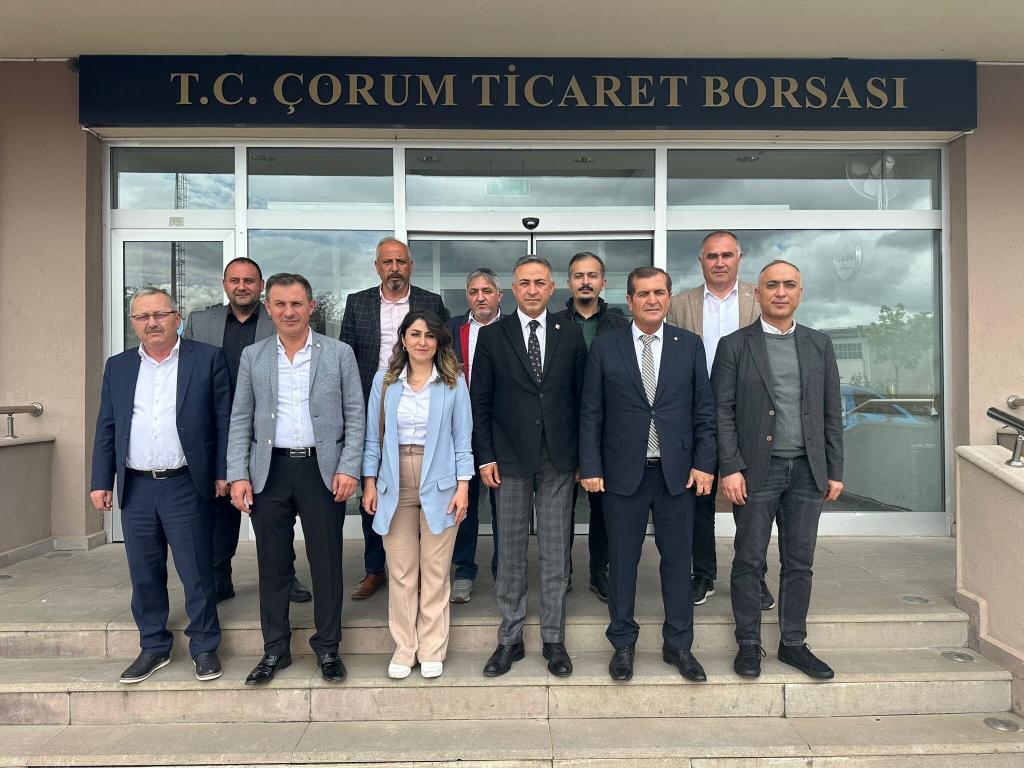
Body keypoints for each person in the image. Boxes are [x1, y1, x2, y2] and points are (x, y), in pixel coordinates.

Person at [579, 267, 717, 682]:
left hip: (677, 475)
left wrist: (704, 463)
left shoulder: (689, 345)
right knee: (622, 563)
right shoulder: (606, 346)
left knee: (677, 563)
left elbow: (704, 411)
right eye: (643, 294)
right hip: (623, 475)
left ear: (669, 297)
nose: (652, 300)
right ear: (630, 299)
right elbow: (591, 412)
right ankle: (623, 643)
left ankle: (679, 646)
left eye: (659, 292)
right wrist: (591, 467)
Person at [227, 273, 365, 685]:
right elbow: (240, 419)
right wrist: (238, 474)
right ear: (268, 308)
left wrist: (349, 467)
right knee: (272, 567)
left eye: (297, 304)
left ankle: (328, 648)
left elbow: (356, 415)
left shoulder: (339, 353)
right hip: (269, 472)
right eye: (281, 304)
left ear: (311, 307)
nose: (289, 312)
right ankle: (275, 649)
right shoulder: (253, 356)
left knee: (326, 564)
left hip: (322, 471)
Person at [712, 260, 844, 680]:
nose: (781, 292)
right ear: (758, 293)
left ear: (800, 292)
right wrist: (730, 467)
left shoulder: (819, 344)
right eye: (772, 285)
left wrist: (834, 469)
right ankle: (749, 643)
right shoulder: (735, 345)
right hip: (756, 472)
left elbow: (831, 411)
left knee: (800, 561)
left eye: (789, 285)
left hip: (807, 471)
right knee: (749, 560)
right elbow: (722, 412)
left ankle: (793, 643)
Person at [90, 287, 230, 684]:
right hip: (136, 486)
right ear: (133, 323)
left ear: (177, 317)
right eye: (142, 317)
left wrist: (223, 471)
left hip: (185, 483)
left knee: (196, 570)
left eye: (160, 314)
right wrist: (101, 480)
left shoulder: (207, 358)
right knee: (144, 571)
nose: (152, 323)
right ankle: (153, 646)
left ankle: (204, 646)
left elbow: (223, 420)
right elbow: (107, 426)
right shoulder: (118, 366)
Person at [471, 255, 587, 678]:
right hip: (508, 460)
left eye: (540, 282)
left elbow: (583, 399)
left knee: (556, 552)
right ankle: (510, 639)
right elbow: (480, 402)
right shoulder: (493, 335)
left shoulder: (569, 332)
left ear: (552, 287)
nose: (533, 290)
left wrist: (583, 457)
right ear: (513, 289)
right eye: (525, 283)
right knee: (511, 551)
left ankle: (554, 639)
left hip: (559, 458)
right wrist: (485, 456)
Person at [185, 257, 312, 604]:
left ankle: (286, 575)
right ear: (224, 285)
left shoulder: (277, 318)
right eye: (235, 280)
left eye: (249, 281)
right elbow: (187, 371)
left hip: (263, 427)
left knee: (274, 510)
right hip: (213, 427)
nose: (242, 286)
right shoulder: (201, 321)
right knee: (218, 506)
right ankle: (219, 576)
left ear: (260, 286)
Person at [362, 310, 474, 679]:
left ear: (439, 341)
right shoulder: (385, 380)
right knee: (402, 571)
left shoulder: (453, 381)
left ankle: (431, 647)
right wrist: (369, 481)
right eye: (415, 334)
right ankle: (404, 647)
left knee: (436, 571)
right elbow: (372, 437)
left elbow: (463, 439)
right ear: (404, 339)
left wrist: (463, 485)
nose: (422, 342)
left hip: (440, 480)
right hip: (394, 479)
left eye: (429, 335)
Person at [340, 237, 450, 600]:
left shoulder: (430, 302)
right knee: (376, 487)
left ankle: (416, 568)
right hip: (374, 402)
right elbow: (347, 358)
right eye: (387, 262)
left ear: (410, 266)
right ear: (377, 267)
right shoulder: (357, 303)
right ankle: (375, 569)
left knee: (423, 494)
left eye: (400, 262)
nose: (394, 268)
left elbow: (444, 349)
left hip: (421, 398)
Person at [666, 231, 770, 610]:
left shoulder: (759, 300)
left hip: (749, 414)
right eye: (712, 256)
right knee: (699, 500)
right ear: (701, 261)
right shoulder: (680, 305)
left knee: (751, 503)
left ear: (739, 258)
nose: (720, 262)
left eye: (727, 255)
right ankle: (703, 574)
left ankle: (753, 576)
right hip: (696, 414)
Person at [556, 251, 628, 602]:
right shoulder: (554, 323)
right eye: (579, 276)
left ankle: (600, 570)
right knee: (560, 508)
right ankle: (562, 571)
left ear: (603, 281)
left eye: (592, 275)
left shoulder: (621, 325)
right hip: (562, 430)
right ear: (569, 282)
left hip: (607, 431)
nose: (585, 282)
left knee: (603, 507)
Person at [448, 268, 503, 603]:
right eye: (473, 291)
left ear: (499, 295)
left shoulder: (512, 328)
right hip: (460, 429)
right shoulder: (452, 329)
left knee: (503, 506)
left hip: (501, 431)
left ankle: (503, 571)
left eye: (487, 291)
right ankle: (465, 570)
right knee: (463, 504)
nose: (480, 297)